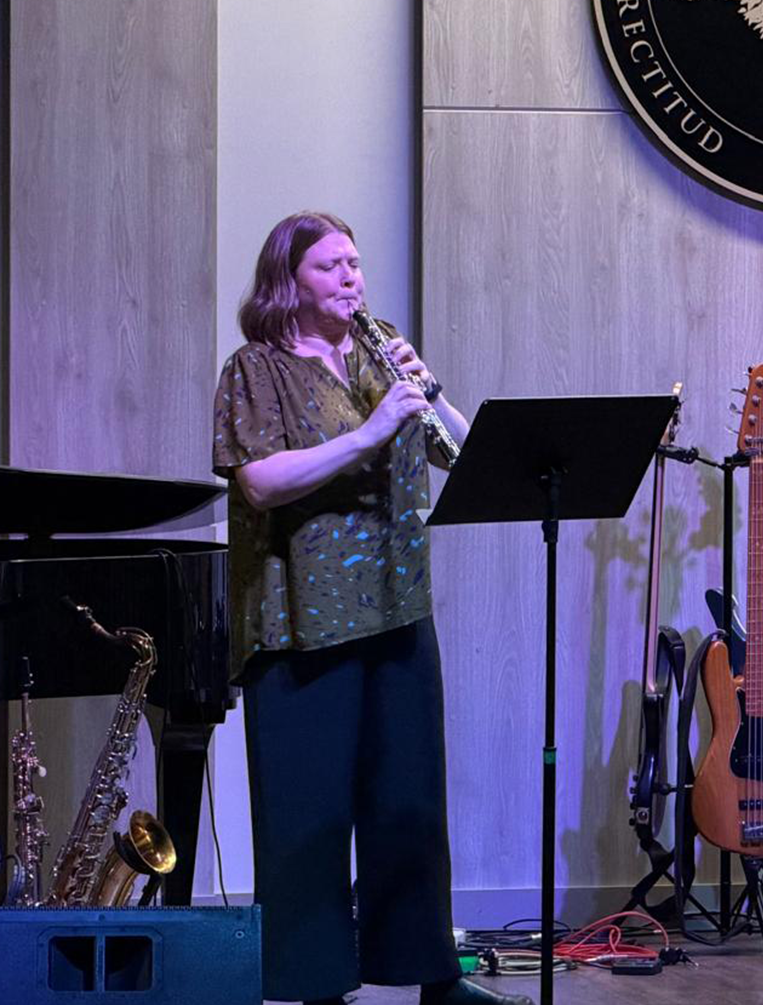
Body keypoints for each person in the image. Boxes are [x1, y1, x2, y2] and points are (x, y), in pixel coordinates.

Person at [212, 211, 525, 1005]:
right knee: (308, 815)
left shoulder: (380, 353)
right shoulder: (256, 369)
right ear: (288, 282)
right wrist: (374, 431)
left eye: (356, 262)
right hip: (301, 623)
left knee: (409, 803)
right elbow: (259, 481)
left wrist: (430, 392)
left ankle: (433, 979)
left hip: (398, 609)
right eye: (332, 266)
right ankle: (317, 985)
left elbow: (464, 455)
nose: (353, 277)